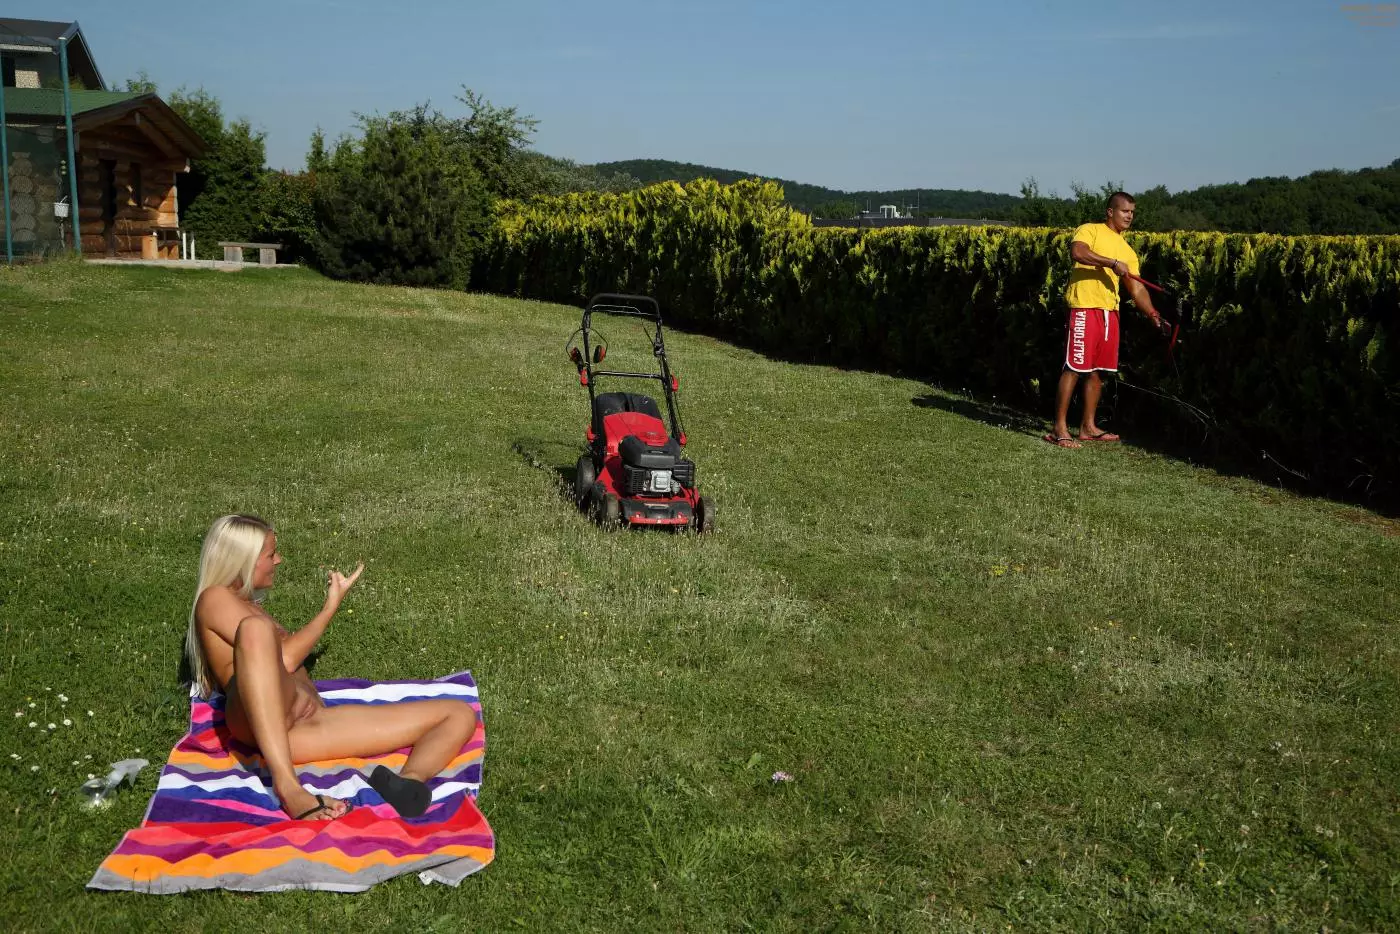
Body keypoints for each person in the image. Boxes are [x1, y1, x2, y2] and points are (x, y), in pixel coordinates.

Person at [184, 514, 477, 821]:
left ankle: (409, 781)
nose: (279, 560)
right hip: (255, 721)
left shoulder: (251, 607)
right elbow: (285, 659)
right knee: (255, 630)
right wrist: (330, 608)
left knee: (457, 714)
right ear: (244, 560)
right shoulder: (214, 598)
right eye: (271, 554)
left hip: (305, 726)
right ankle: (288, 787)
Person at [1045, 191, 1169, 448]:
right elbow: (1078, 252)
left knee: (1099, 371)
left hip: (1109, 312)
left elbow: (1137, 289)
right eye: (1125, 211)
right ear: (1110, 212)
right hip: (1084, 306)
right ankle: (1059, 429)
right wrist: (1111, 263)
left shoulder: (1127, 251)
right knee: (1074, 367)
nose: (1129, 216)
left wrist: (1153, 314)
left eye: (1132, 212)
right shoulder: (1089, 230)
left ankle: (1088, 427)